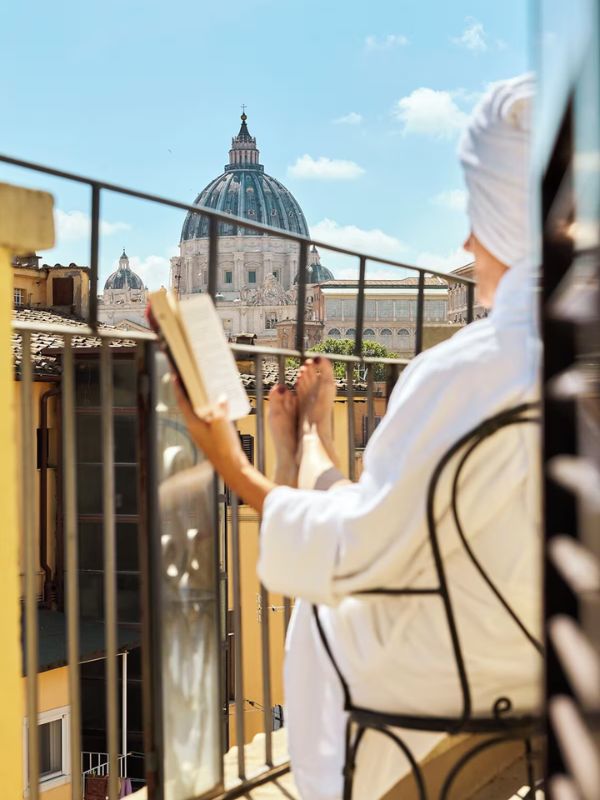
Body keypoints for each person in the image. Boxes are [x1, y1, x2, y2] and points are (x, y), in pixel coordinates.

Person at [174, 74, 541, 800]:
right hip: (553, 662)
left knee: (322, 601)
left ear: (510, 219)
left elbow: (352, 560)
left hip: (448, 699)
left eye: (479, 215)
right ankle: (309, 446)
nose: (467, 240)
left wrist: (227, 456)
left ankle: (300, 449)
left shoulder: (467, 372)